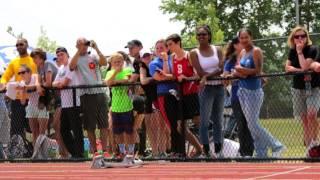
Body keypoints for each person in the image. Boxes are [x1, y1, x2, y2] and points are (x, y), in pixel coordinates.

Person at [235, 28, 284, 158]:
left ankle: (277, 146)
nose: (244, 40)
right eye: (241, 38)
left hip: (254, 91)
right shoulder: (242, 52)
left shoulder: (256, 51)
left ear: (251, 37)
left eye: (246, 37)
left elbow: (257, 71)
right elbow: (236, 71)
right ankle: (261, 153)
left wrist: (242, 71)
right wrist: (242, 72)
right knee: (252, 126)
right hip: (242, 91)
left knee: (253, 124)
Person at [69, 38, 109, 157]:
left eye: (86, 44)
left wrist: (96, 47)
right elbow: (71, 66)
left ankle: (105, 150)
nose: (84, 46)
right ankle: (95, 151)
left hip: (99, 92)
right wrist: (78, 50)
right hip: (86, 94)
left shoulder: (93, 56)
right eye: (81, 44)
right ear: (77, 45)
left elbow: (104, 63)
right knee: (89, 125)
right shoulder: (75, 58)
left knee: (103, 124)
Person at [189, 25, 225, 157]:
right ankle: (206, 151)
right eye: (198, 35)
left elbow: (222, 68)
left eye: (203, 34)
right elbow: (199, 72)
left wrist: (206, 76)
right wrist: (204, 76)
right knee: (204, 121)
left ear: (209, 36)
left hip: (220, 87)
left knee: (218, 120)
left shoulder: (218, 49)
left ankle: (218, 150)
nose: (201, 37)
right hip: (206, 89)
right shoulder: (194, 53)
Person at [166, 34, 202, 157]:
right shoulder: (171, 58)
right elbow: (174, 75)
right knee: (180, 127)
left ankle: (209, 148)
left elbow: (198, 75)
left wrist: (186, 78)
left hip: (191, 93)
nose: (169, 47)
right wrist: (166, 76)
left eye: (170, 44)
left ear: (178, 43)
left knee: (198, 121)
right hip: (180, 95)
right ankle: (199, 149)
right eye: (168, 45)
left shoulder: (188, 55)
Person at [285, 26, 320, 149]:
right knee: (305, 120)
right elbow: (287, 68)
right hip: (297, 88)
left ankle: (314, 143)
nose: (300, 38)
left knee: (312, 115)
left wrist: (300, 52)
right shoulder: (292, 51)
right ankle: (309, 149)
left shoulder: (312, 49)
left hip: (313, 87)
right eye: (297, 36)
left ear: (307, 37)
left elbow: (306, 66)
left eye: (303, 36)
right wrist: (300, 70)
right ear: (293, 39)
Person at [149, 39, 184, 157]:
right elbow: (161, 78)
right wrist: (164, 61)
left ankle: (184, 150)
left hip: (178, 94)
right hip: (164, 95)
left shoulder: (174, 58)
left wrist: (169, 75)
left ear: (167, 48)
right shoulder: (153, 63)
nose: (159, 50)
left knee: (181, 123)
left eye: (162, 47)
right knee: (171, 123)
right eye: (157, 48)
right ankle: (176, 150)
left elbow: (173, 74)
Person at [222, 36, 254, 157]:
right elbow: (225, 78)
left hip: (250, 95)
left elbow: (256, 73)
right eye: (242, 42)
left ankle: (250, 151)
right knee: (240, 123)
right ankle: (243, 151)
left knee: (250, 123)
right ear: (235, 45)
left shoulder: (250, 57)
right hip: (236, 96)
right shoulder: (230, 61)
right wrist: (228, 76)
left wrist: (239, 73)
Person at [0, 38, 37, 138]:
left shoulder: (33, 61)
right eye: (17, 45)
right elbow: (5, 77)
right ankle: (19, 151)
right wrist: (3, 84)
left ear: (27, 45)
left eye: (21, 44)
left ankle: (36, 150)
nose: (18, 47)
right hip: (17, 100)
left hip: (33, 99)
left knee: (33, 128)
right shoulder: (14, 62)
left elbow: (38, 78)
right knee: (16, 129)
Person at [53, 47, 84, 158]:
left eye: (62, 54)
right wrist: (59, 84)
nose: (60, 57)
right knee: (63, 129)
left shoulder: (71, 63)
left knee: (76, 129)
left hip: (75, 102)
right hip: (65, 103)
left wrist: (59, 84)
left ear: (67, 54)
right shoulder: (61, 68)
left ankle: (79, 154)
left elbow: (64, 83)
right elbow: (54, 83)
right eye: (58, 55)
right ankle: (75, 152)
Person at [105, 53, 135, 158]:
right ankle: (122, 152)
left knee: (129, 131)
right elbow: (108, 82)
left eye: (119, 61)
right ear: (111, 63)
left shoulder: (127, 70)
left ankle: (131, 152)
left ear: (123, 62)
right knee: (118, 132)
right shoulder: (109, 72)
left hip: (127, 106)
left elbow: (128, 80)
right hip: (116, 107)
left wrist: (116, 81)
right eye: (115, 62)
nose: (118, 64)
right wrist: (115, 74)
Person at [125, 40, 147, 157]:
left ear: (140, 47)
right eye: (128, 48)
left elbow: (133, 78)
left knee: (141, 125)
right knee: (139, 125)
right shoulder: (135, 61)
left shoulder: (143, 58)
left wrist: (124, 80)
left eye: (132, 48)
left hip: (147, 95)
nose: (129, 50)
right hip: (140, 96)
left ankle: (142, 151)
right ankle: (140, 151)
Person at [17, 65, 48, 146]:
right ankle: (36, 154)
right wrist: (23, 91)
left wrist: (25, 88)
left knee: (42, 133)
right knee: (34, 133)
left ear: (29, 72)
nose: (21, 75)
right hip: (31, 106)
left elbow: (38, 87)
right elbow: (23, 102)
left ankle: (43, 155)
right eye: (19, 73)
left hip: (42, 105)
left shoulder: (35, 76)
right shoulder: (22, 83)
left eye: (23, 72)